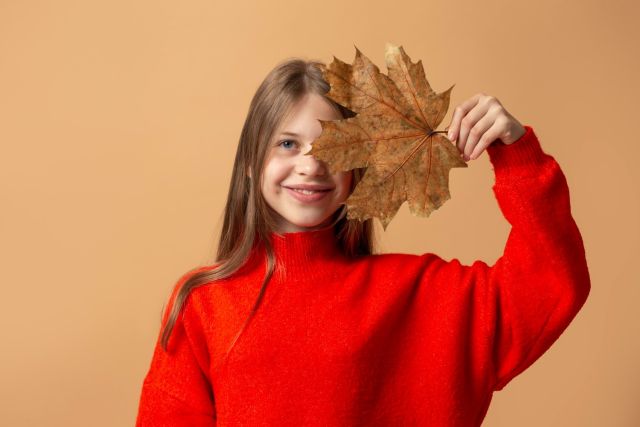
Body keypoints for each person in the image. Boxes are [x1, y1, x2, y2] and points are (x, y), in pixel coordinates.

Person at [135, 58, 591, 426]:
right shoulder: (203, 304)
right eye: (288, 144)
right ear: (251, 163)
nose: (312, 165)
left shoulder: (419, 295)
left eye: (334, 147)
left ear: (358, 170)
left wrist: (517, 155)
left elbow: (550, 282)